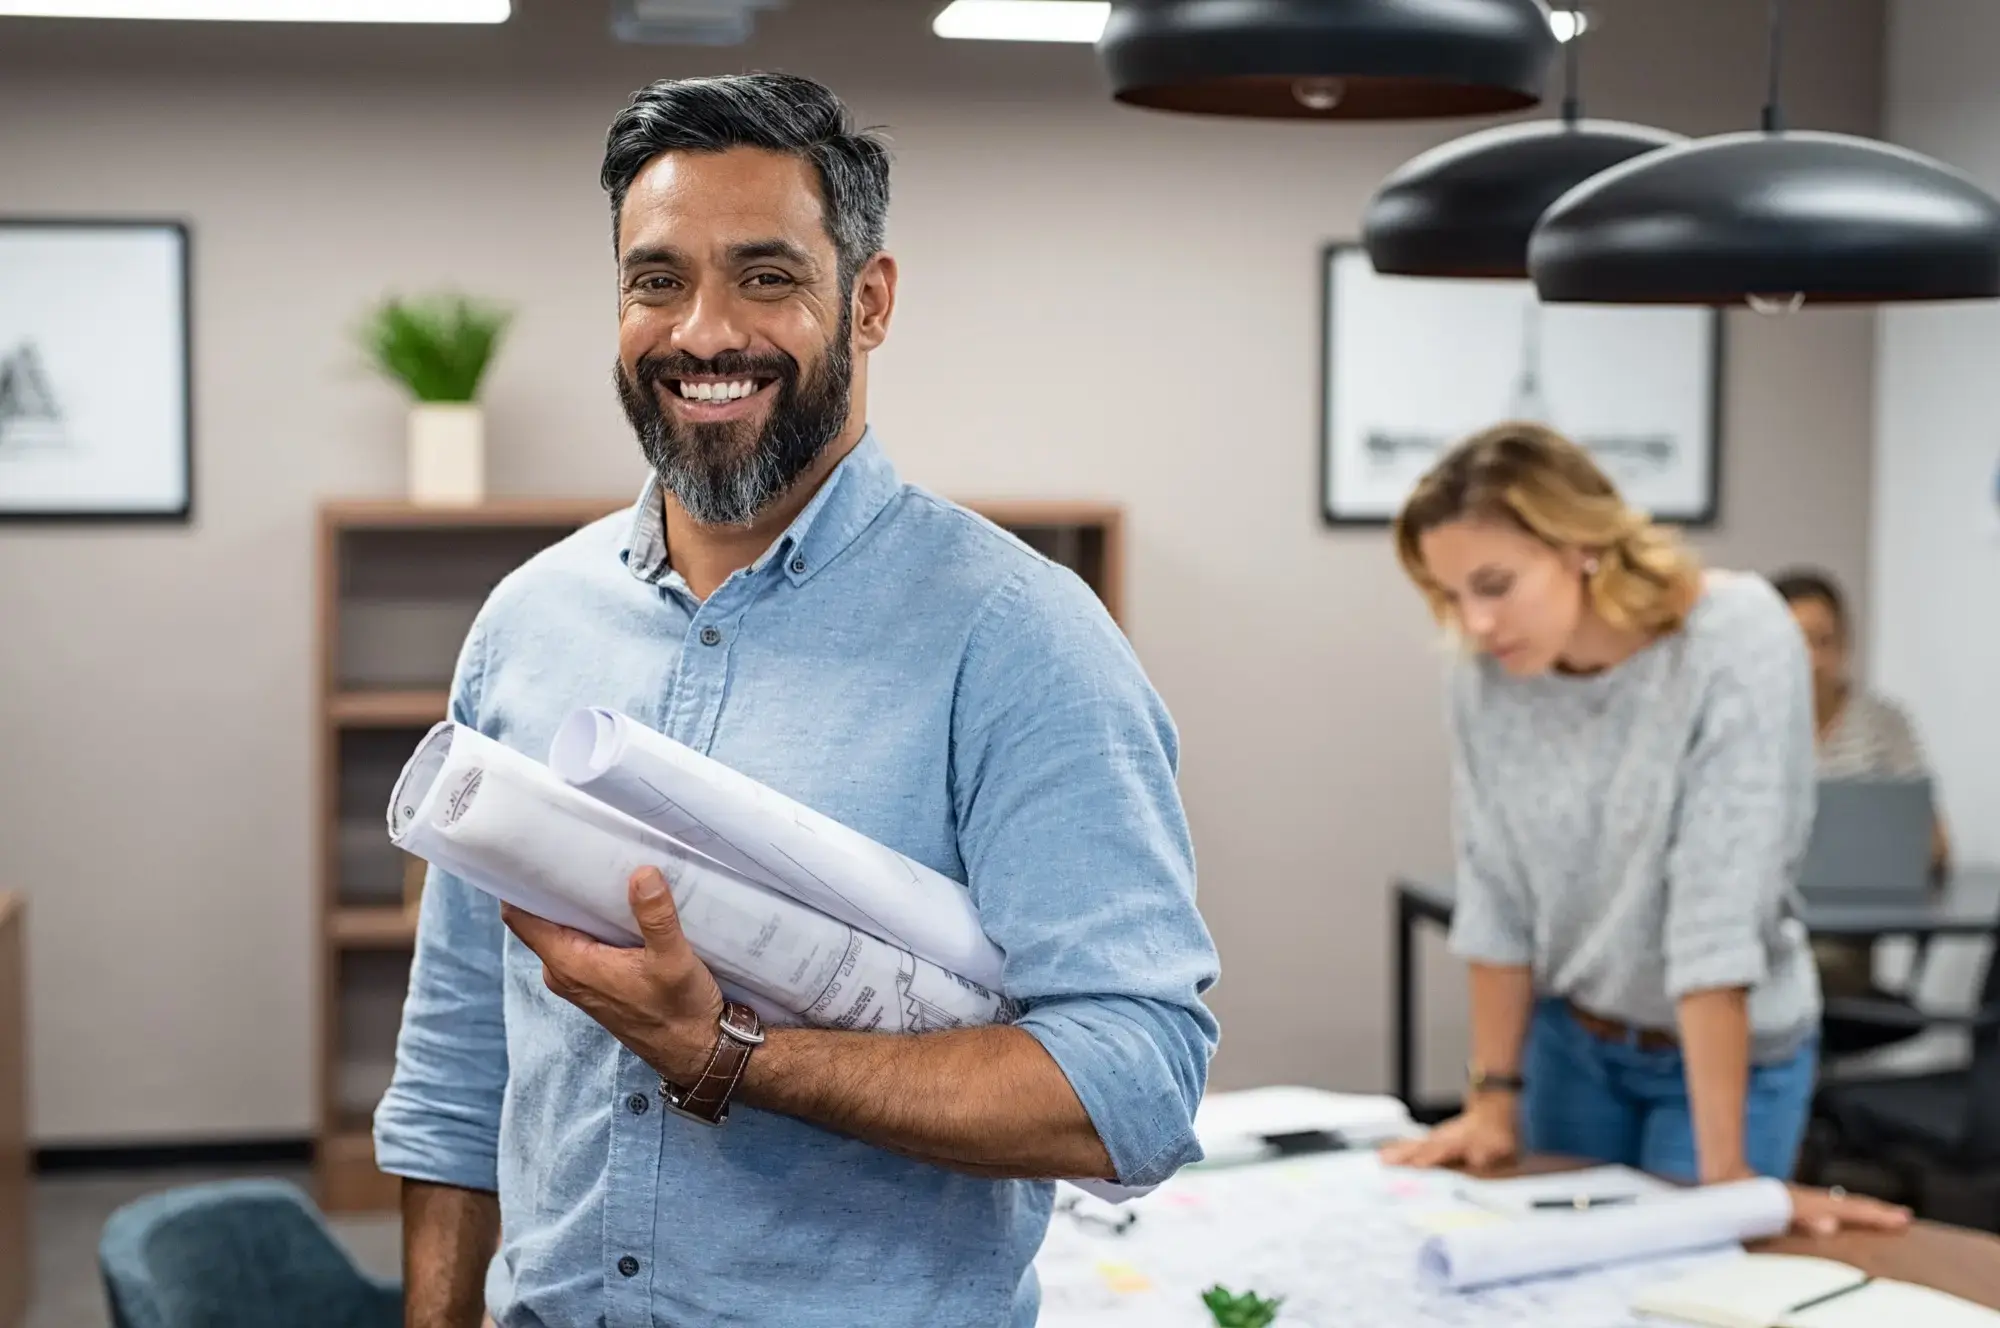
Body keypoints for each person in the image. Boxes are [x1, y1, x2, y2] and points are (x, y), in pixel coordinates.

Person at [373, 72, 1220, 1328]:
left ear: (868, 301)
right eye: (656, 280)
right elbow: (456, 1061)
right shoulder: (527, 622)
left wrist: (733, 1057)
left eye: (765, 276)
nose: (702, 331)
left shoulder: (1018, 639)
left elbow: (1133, 1085)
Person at [1379, 422, 1909, 1237]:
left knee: (1692, 1288)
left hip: (1730, 1058)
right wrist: (1492, 1103)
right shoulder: (1484, 676)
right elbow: (1496, 892)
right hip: (1574, 1044)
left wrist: (1727, 1175)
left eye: (1494, 584)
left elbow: (1717, 912)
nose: (1475, 623)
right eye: (1450, 596)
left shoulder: (1734, 638)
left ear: (1580, 544)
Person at [1772, 567, 1948, 1052]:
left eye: (1824, 641)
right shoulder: (1746, 726)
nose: (1811, 659)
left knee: (1816, 972)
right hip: (1763, 929)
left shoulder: (1883, 724)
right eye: (1796, 641)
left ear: (1845, 643)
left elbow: (1933, 842)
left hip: (1844, 939)